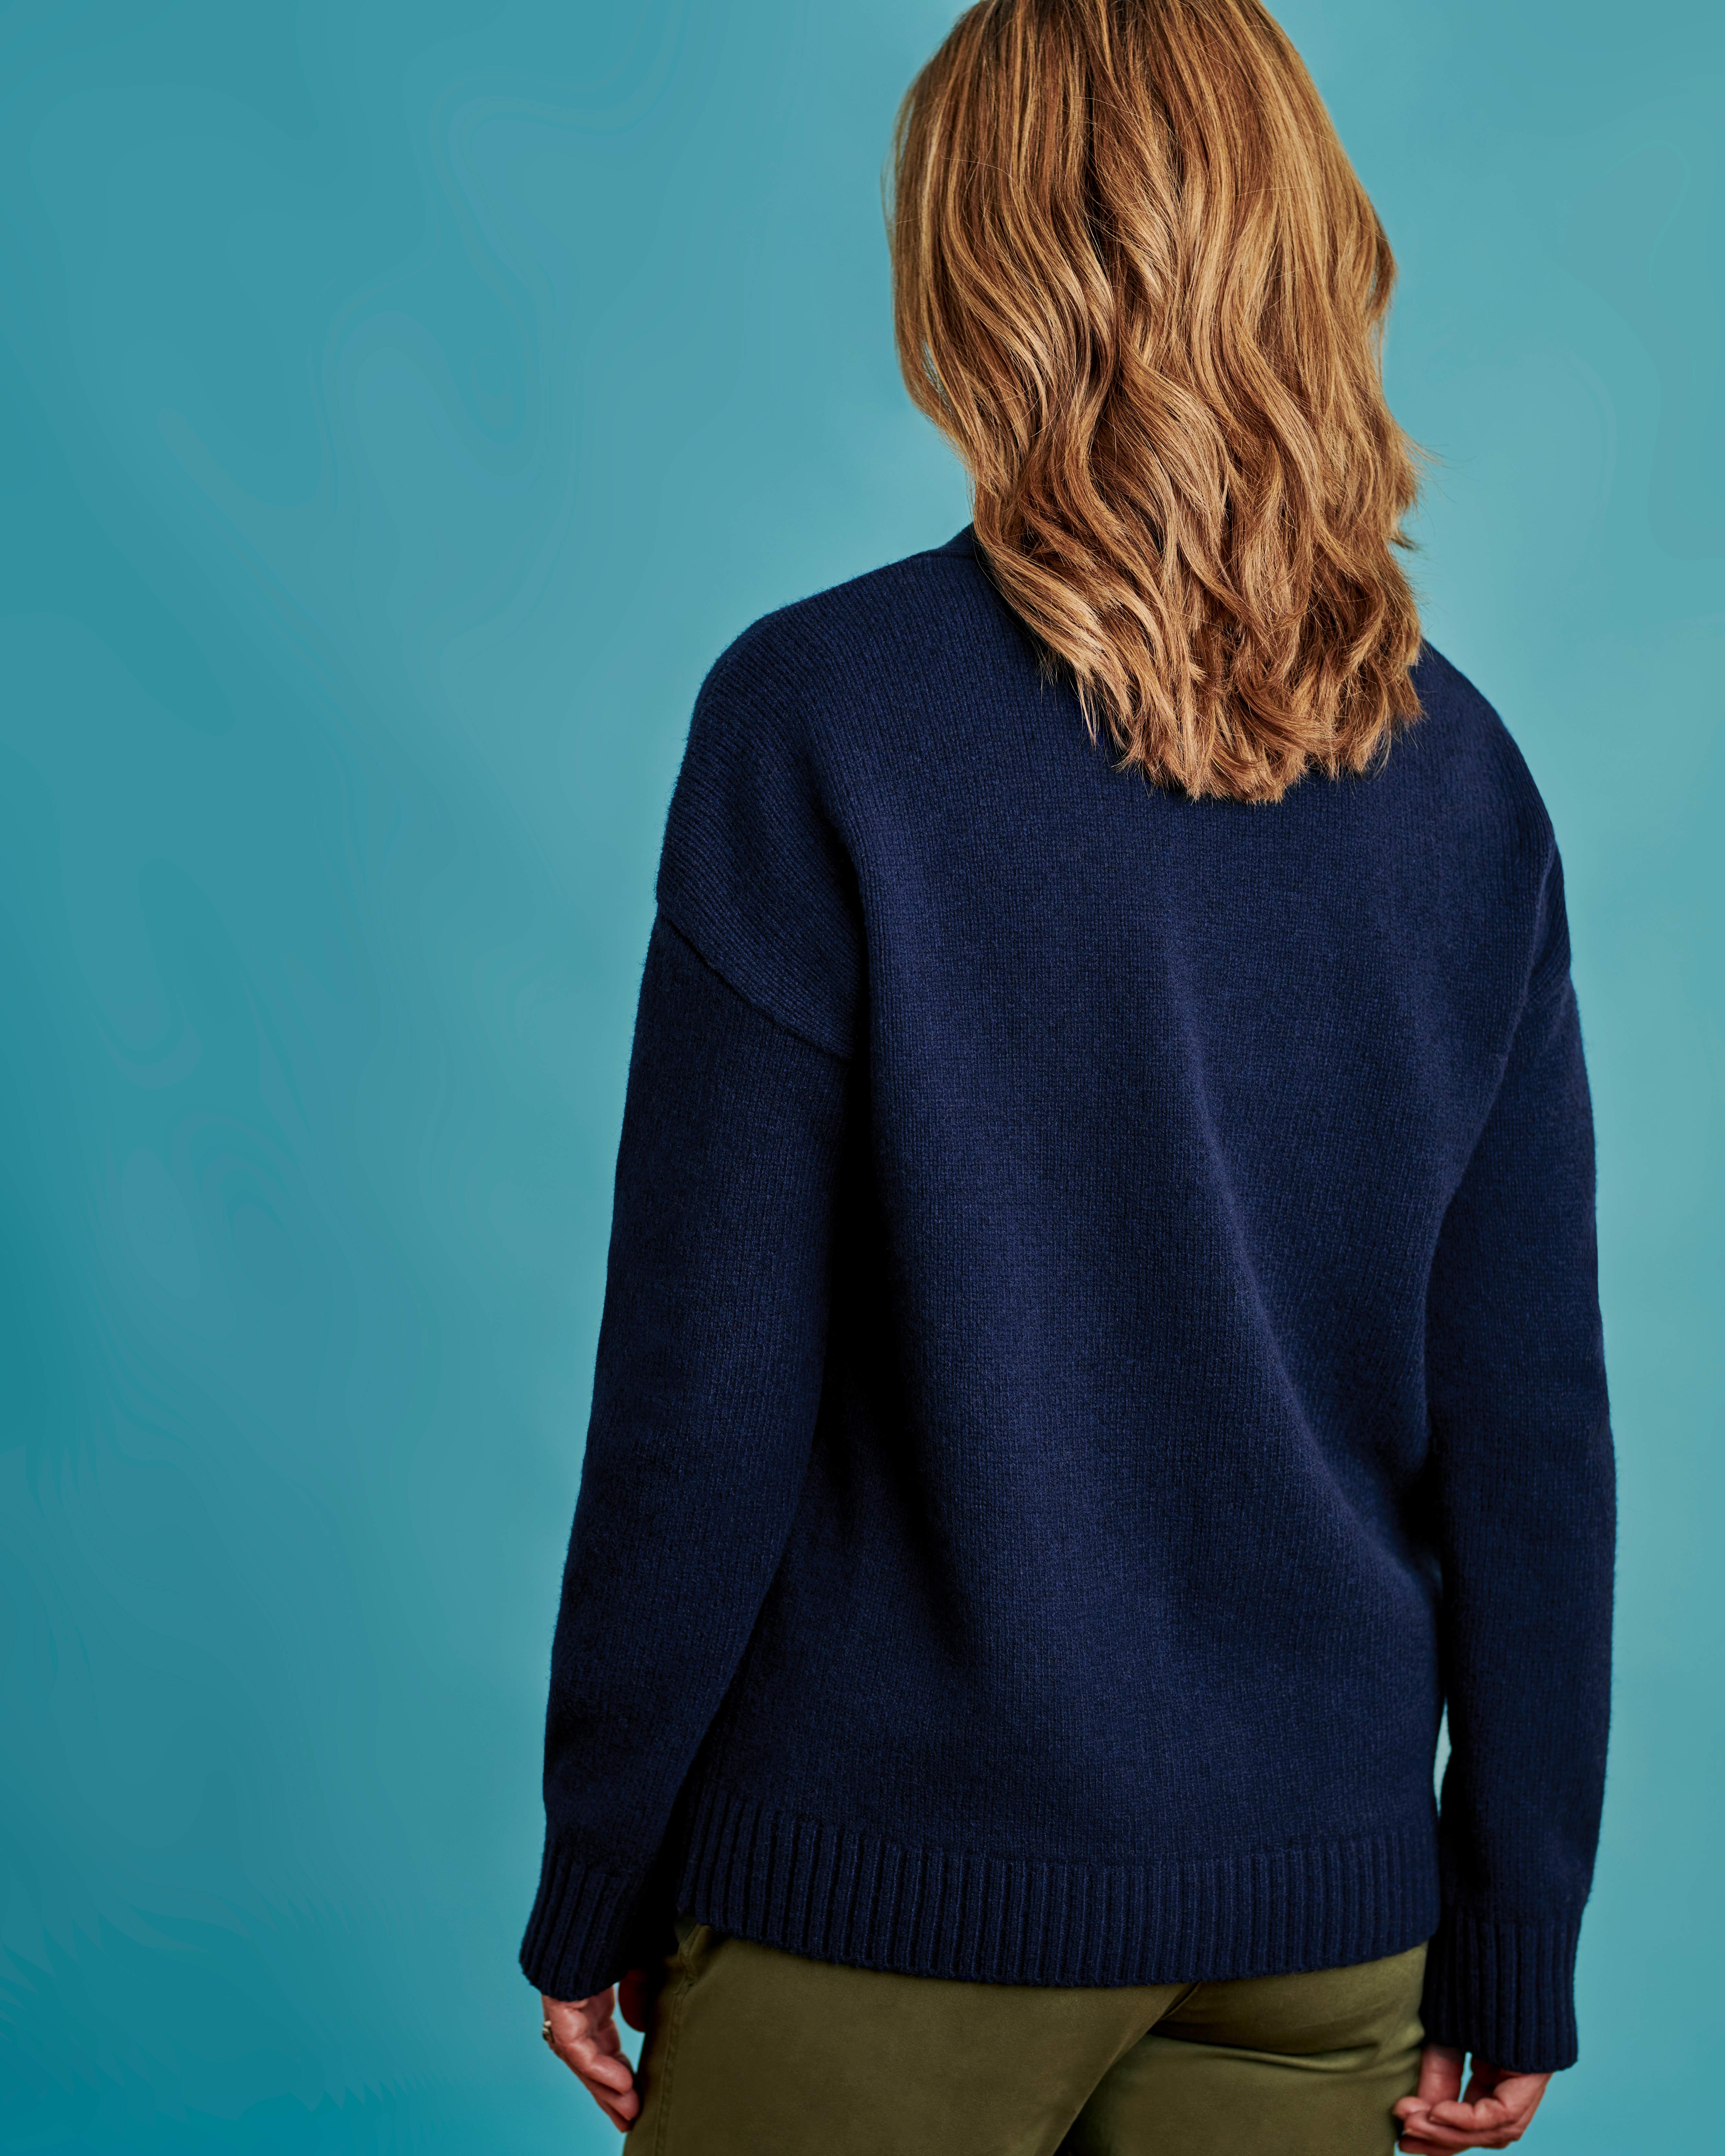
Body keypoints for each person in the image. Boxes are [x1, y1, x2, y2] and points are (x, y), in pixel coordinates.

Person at [519, 2, 1615, 2150]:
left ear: (977, 267)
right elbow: (1530, 1436)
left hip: (887, 1893)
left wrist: (601, 1864)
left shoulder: (821, 721)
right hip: (1319, 1928)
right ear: (1303, 241)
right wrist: (1518, 1930)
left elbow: (702, 1392)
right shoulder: (1468, 783)